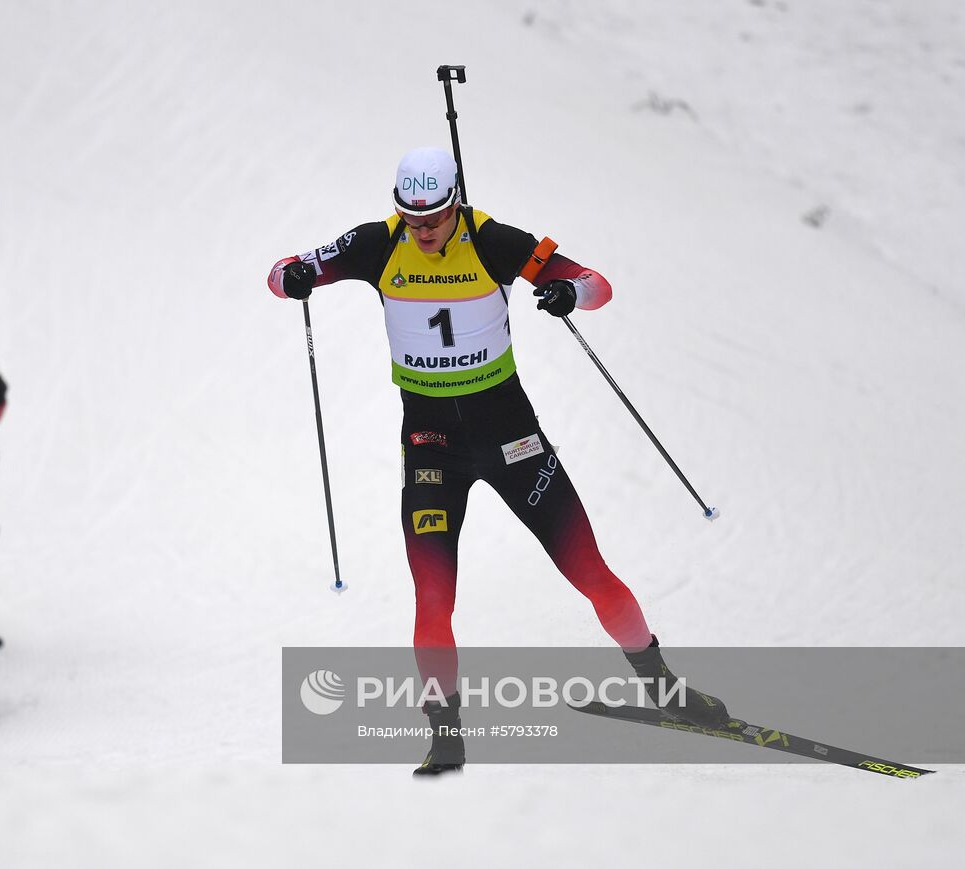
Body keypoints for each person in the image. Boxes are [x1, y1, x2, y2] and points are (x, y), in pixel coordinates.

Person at [267, 147, 729, 776]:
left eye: (434, 219)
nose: (423, 232)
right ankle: (446, 735)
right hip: (432, 448)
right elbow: (287, 270)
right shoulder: (378, 243)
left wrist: (569, 291)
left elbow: (599, 284)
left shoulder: (493, 240)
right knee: (432, 598)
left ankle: (665, 691)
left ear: (455, 204)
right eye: (411, 219)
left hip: (512, 439)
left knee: (590, 570)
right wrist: (293, 278)